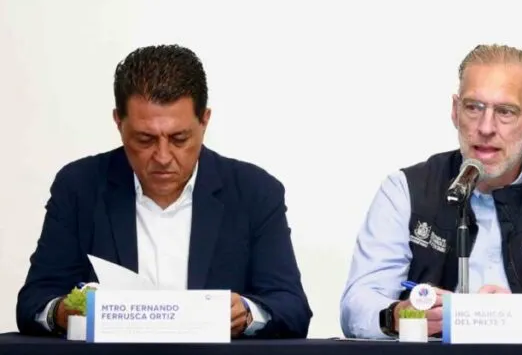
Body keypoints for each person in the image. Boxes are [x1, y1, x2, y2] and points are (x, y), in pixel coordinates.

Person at [15, 44, 313, 338]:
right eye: (144, 139)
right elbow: (34, 303)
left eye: (179, 138)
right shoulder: (79, 187)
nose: (162, 157)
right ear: (118, 122)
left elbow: (292, 308)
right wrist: (60, 313)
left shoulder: (254, 192)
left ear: (204, 121)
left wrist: (247, 313)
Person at [340, 44, 522, 338]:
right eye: (473, 107)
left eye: (506, 112)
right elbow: (356, 308)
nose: (486, 127)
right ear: (454, 111)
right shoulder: (404, 189)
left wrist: (498, 317)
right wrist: (400, 315)